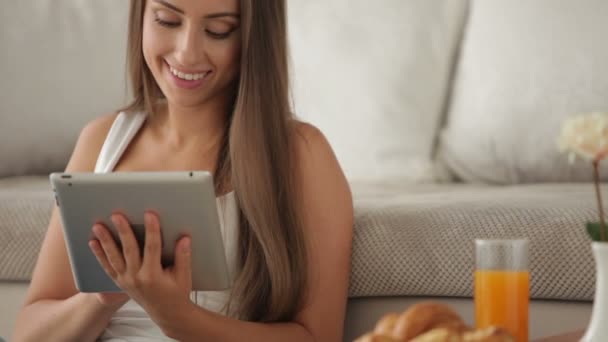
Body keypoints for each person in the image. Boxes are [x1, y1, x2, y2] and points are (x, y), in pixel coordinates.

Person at [11, 0, 353, 341]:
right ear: (141, 17)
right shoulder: (101, 140)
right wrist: (102, 296)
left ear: (253, 36)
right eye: (167, 21)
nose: (187, 53)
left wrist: (180, 319)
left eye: (218, 30)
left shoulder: (302, 153)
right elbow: (30, 333)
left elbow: (318, 336)